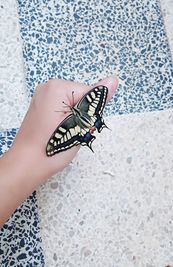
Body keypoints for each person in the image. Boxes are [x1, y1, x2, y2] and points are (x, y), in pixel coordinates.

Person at [0, 76, 118, 228]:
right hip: (87, 121)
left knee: (69, 134)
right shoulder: (76, 112)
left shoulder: (66, 124)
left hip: (77, 129)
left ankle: (87, 132)